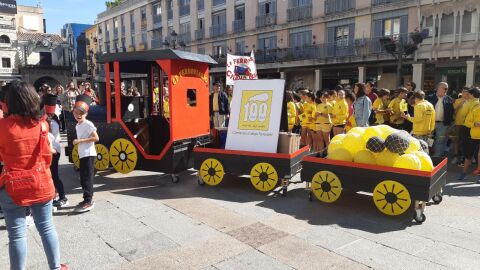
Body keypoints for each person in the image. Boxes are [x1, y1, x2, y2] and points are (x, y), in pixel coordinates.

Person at [0, 81, 68, 270]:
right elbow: (47, 157)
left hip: (12, 185)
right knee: (46, 228)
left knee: (17, 235)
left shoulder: (2, 126)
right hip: (41, 183)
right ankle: (55, 267)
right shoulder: (43, 125)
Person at [72, 95, 99, 213]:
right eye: (76, 113)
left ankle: (89, 201)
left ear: (86, 114)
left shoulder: (88, 123)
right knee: (83, 178)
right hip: (83, 154)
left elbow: (96, 138)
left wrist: (80, 141)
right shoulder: (77, 125)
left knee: (87, 178)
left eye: (81, 114)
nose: (78, 115)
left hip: (89, 154)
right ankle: (86, 199)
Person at [43, 94, 68, 208]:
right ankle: (55, 195)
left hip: (54, 151)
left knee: (54, 176)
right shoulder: (49, 121)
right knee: (51, 176)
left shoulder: (52, 123)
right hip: (51, 150)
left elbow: (50, 138)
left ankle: (63, 197)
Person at [427, 82, 454, 157]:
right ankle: (426, 155)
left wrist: (449, 125)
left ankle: (436, 158)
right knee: (428, 139)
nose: (446, 90)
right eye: (445, 88)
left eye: (447, 88)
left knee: (440, 141)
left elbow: (451, 112)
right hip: (430, 123)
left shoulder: (449, 99)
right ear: (438, 88)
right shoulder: (429, 97)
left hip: (442, 124)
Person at [458, 87, 480, 182]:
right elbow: (467, 122)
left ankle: (466, 173)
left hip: (469, 132)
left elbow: (462, 116)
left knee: (473, 154)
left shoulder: (469, 104)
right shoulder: (476, 110)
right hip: (473, 134)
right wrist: (474, 124)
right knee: (469, 154)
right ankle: (463, 173)